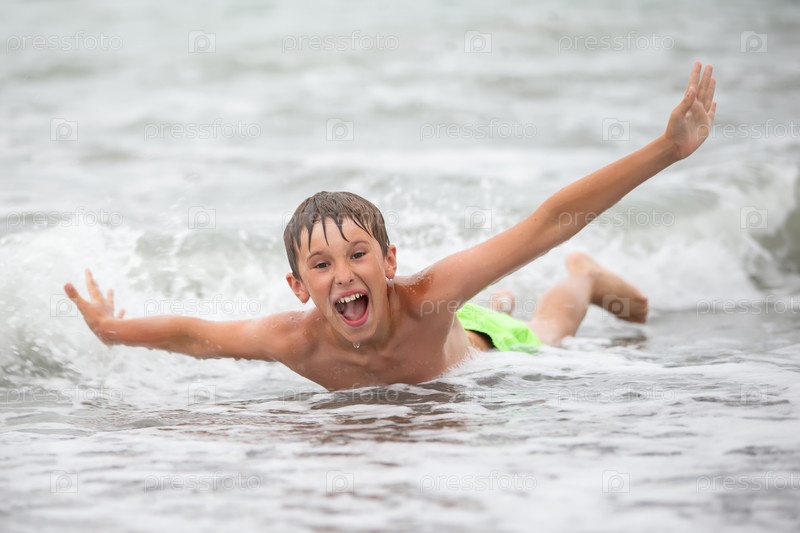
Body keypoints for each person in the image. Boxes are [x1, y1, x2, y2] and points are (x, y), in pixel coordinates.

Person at [65, 62, 716, 391]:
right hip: (450, 330)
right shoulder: (294, 340)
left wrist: (666, 149)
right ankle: (495, 303)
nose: (344, 274)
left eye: (358, 254)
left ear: (390, 261)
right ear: (299, 287)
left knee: (547, 334)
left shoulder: (429, 294)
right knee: (480, 308)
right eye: (322, 265)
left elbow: (546, 223)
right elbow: (198, 337)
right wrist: (111, 330)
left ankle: (583, 276)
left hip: (483, 352)